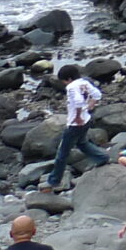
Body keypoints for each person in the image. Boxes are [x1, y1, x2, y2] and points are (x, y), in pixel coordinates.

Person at [41, 65, 110, 193]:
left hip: (75, 124)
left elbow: (78, 102)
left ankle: (54, 180)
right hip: (87, 120)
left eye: (63, 81)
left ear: (68, 79)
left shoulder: (71, 87)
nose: (63, 83)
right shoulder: (84, 82)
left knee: (62, 153)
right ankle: (102, 157)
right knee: (82, 142)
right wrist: (90, 106)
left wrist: (78, 116)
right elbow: (97, 94)